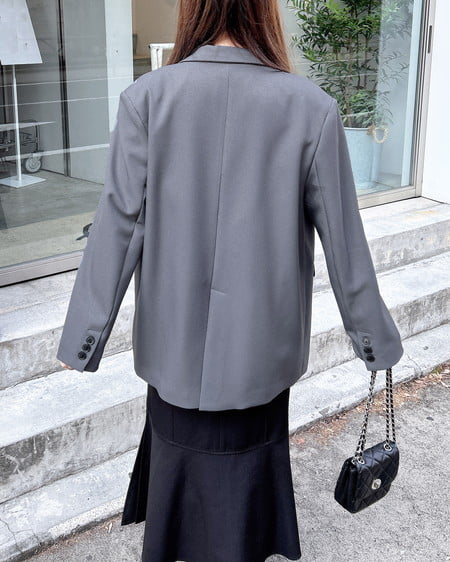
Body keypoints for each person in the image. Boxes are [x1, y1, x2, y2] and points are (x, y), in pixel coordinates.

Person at [57, 0, 404, 560]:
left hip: (172, 354)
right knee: (244, 508)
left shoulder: (148, 98)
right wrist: (374, 341)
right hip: (258, 359)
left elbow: (119, 227)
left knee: (179, 498)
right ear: (264, 13)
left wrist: (83, 337)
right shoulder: (310, 108)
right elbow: (346, 244)